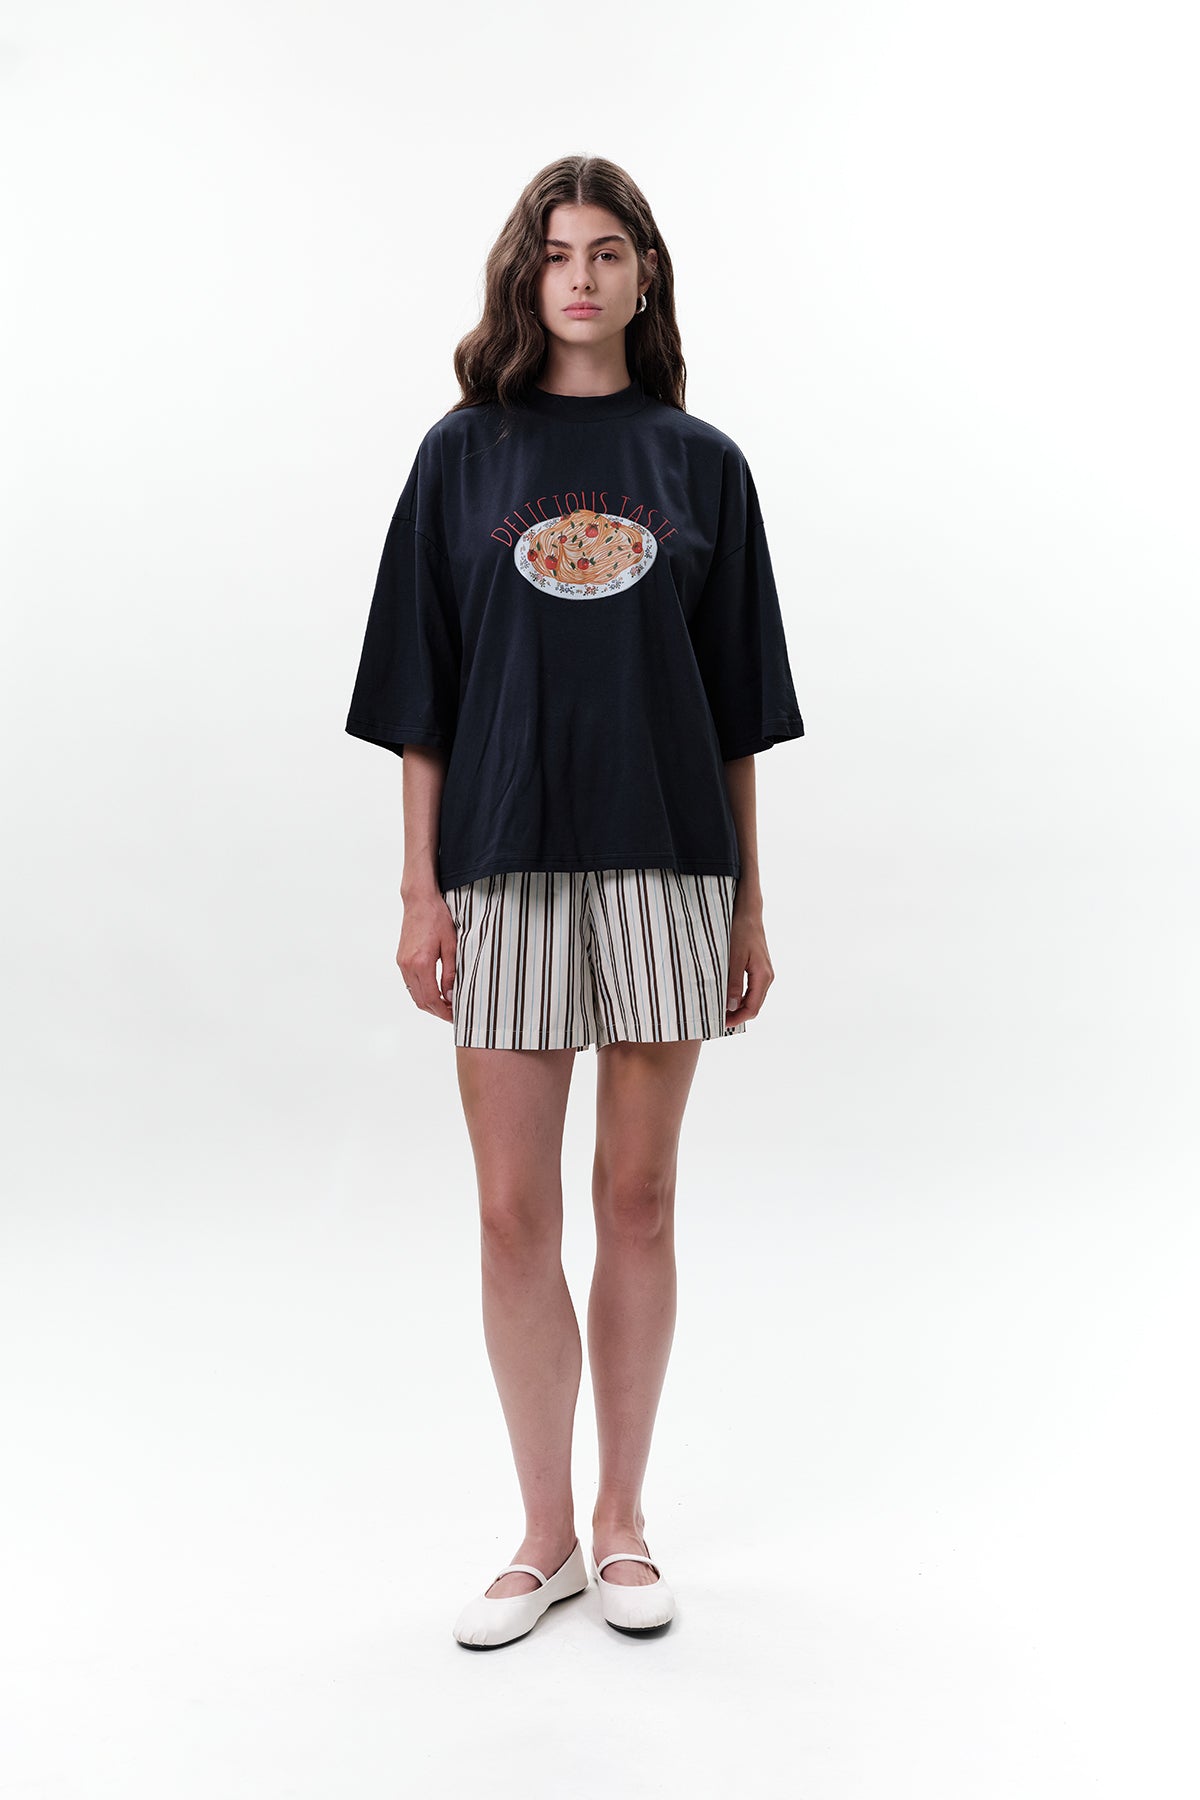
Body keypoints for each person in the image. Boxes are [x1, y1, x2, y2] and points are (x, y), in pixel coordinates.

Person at [344, 153, 805, 1648]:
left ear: (644, 275)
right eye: (559, 254)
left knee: (639, 1199)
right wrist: (419, 888)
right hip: (501, 862)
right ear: (524, 275)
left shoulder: (703, 466)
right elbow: (419, 698)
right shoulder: (461, 459)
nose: (584, 278)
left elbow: (736, 714)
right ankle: (541, 1534)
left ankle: (622, 1524)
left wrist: (747, 906)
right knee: (509, 1211)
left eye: (609, 252)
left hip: (670, 865)